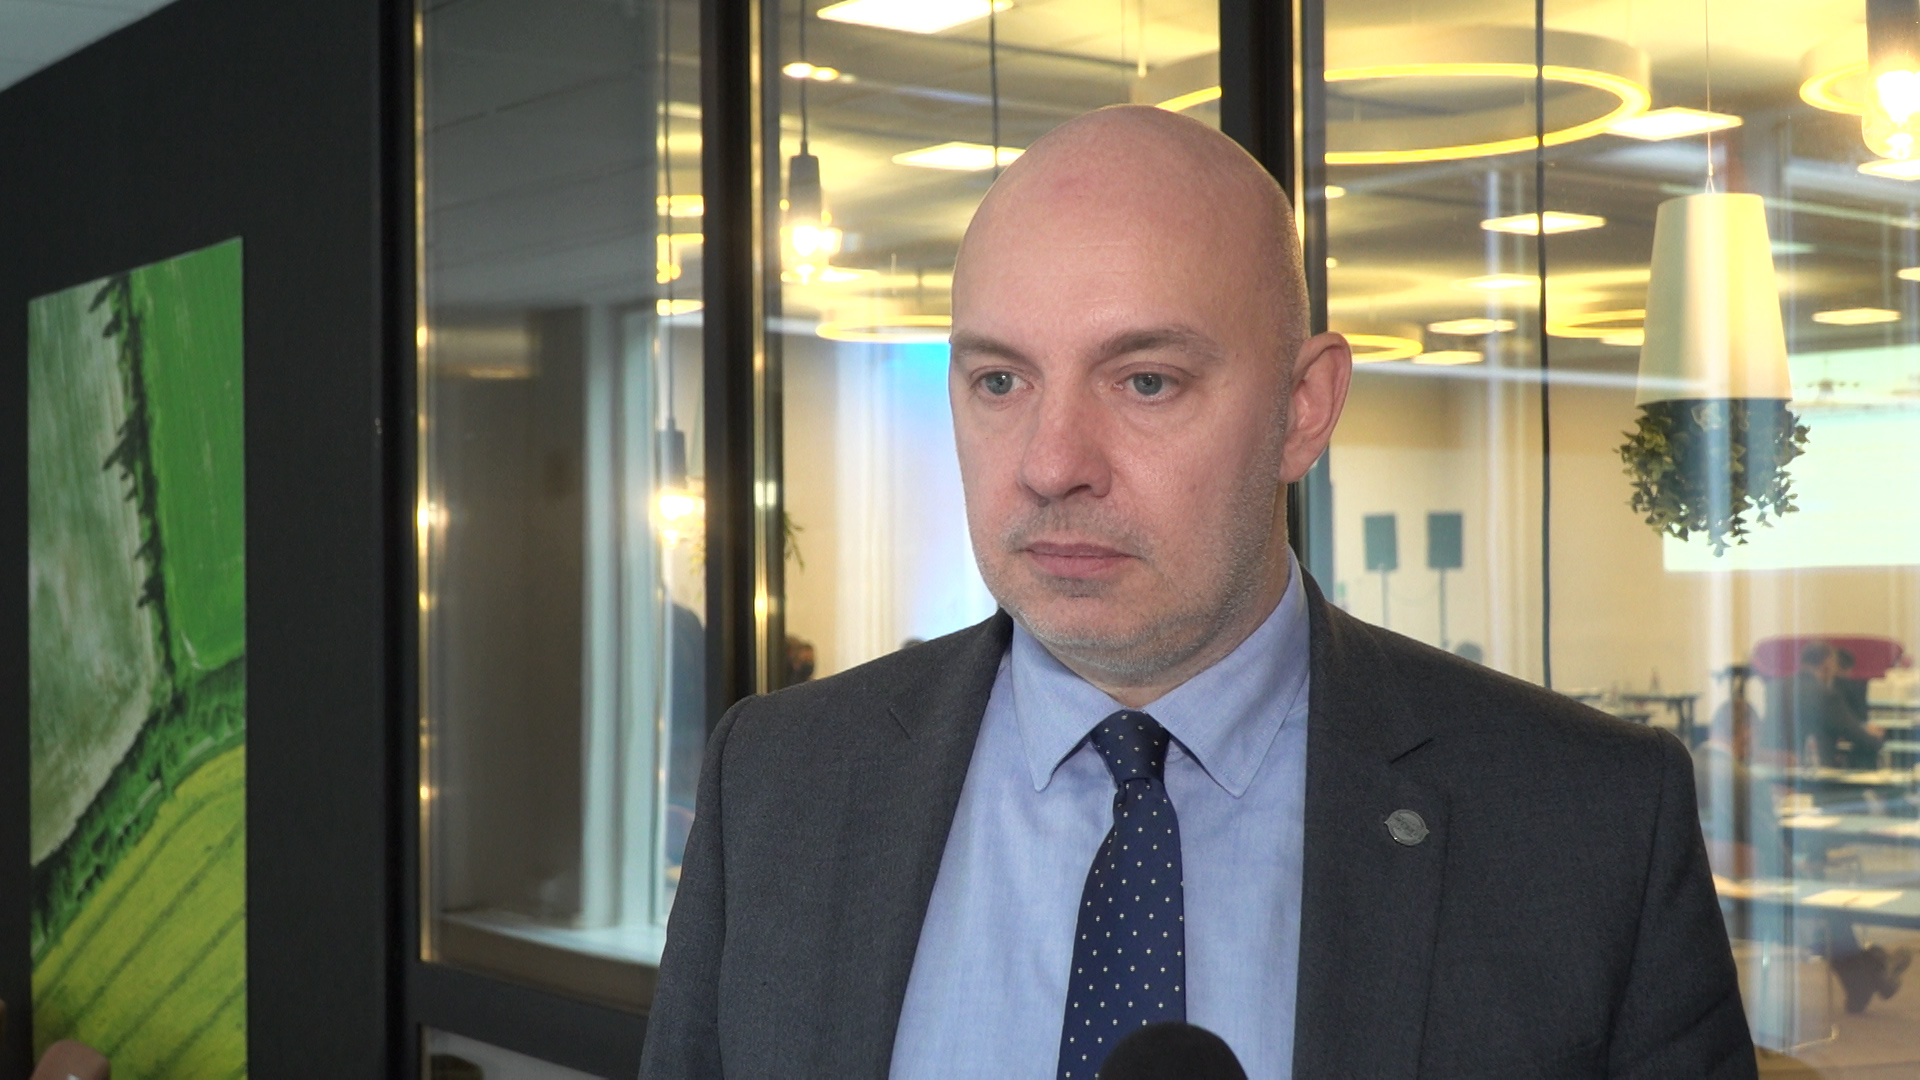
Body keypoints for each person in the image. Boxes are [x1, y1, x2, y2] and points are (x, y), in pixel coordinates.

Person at [639, 107, 1753, 1079]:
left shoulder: (1587, 825)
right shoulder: (779, 782)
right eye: (1000, 380)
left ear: (1305, 409)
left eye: (1146, 380)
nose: (1051, 462)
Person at [1692, 695, 1908, 1013]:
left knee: (1819, 892)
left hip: (1701, 891)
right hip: (1753, 903)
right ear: (1746, 732)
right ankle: (1872, 967)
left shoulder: (1684, 766)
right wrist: (1802, 870)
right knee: (1823, 893)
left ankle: (1871, 970)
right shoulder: (1744, 778)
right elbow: (1770, 851)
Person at [1778, 641, 1884, 768]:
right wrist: (1873, 736)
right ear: (1827, 664)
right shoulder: (1825, 695)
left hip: (1778, 771)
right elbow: (1860, 737)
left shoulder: (1777, 688)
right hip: (1817, 772)